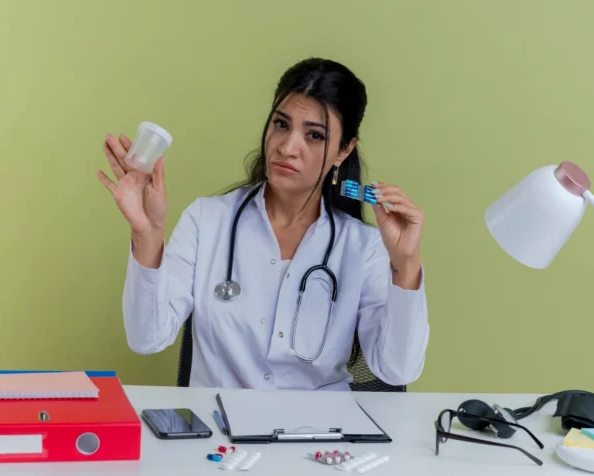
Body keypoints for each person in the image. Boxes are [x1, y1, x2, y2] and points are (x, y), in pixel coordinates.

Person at [97, 57, 429, 391]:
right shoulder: (207, 220)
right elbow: (147, 338)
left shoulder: (363, 246)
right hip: (219, 434)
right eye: (281, 125)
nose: (287, 147)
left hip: (319, 436)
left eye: (314, 135)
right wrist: (147, 233)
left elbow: (397, 371)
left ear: (344, 150)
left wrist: (406, 264)